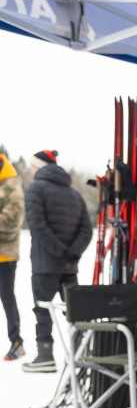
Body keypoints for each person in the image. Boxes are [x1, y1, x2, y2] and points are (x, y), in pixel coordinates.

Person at [22, 150, 93, 373]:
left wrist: (61, 252)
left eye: (34, 167)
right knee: (73, 310)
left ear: (40, 167)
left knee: (43, 310)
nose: (31, 170)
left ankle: (45, 355)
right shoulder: (74, 194)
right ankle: (79, 353)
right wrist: (72, 253)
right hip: (69, 265)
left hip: (45, 264)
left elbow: (38, 226)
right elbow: (87, 230)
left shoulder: (35, 189)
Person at [0, 153, 25, 361]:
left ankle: (17, 342)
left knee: (7, 298)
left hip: (4, 255)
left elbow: (12, 220)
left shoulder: (11, 187)